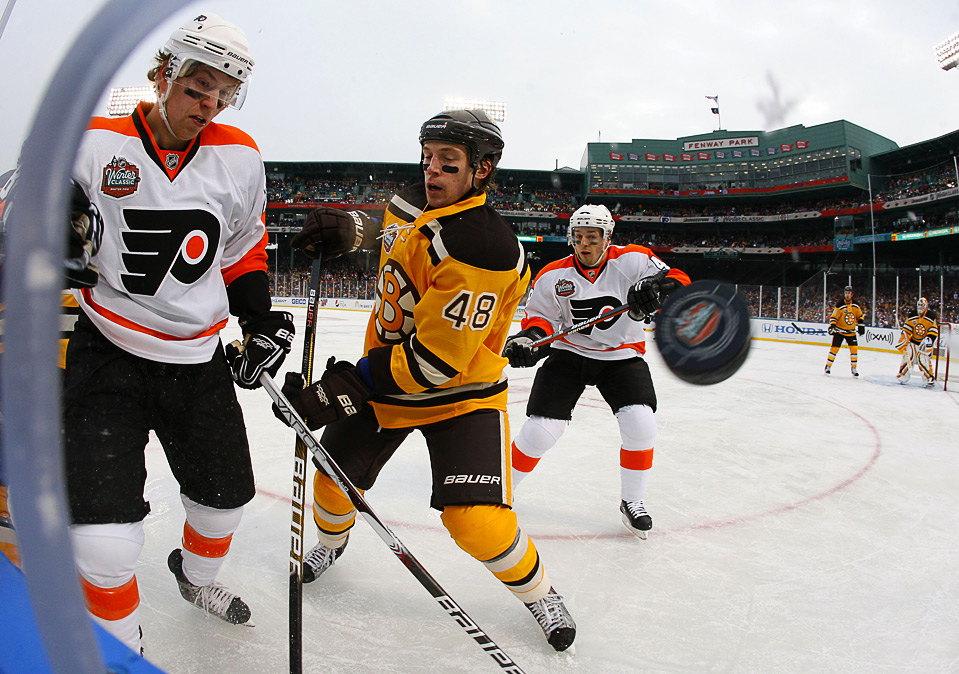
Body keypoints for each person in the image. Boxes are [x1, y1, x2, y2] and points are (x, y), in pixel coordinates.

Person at [279, 109, 577, 652]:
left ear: (482, 170)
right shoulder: (415, 202)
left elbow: (433, 366)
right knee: (331, 484)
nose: (431, 171)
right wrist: (351, 229)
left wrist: (341, 388)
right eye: (428, 158)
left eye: (448, 162)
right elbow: (388, 230)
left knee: (476, 523)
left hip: (460, 396)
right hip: (386, 385)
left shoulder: (482, 248)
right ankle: (330, 543)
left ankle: (540, 592)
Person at [62, 13, 303, 653]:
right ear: (162, 73)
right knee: (102, 542)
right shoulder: (91, 142)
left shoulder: (239, 154)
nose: (211, 105)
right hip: (107, 349)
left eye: (224, 93)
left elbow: (244, 250)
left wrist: (260, 319)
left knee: (223, 506)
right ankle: (125, 655)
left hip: (197, 358)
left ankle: (195, 580)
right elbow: (25, 212)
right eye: (199, 88)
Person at [501, 204, 690, 539]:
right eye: (578, 236)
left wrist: (661, 290)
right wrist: (528, 340)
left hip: (621, 357)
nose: (584, 243)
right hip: (569, 354)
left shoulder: (633, 259)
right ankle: (501, 493)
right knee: (541, 431)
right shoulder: (553, 275)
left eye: (592, 236)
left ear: (608, 237)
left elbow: (677, 277)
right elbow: (540, 322)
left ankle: (632, 501)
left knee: (641, 425)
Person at [896, 296, 939, 386]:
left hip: (924, 342)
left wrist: (930, 338)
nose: (920, 307)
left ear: (926, 305)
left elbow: (933, 328)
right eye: (919, 305)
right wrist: (904, 340)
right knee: (908, 358)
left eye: (922, 305)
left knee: (923, 360)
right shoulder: (912, 314)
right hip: (913, 342)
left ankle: (928, 378)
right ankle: (903, 375)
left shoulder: (931, 315)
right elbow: (907, 329)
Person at [824, 285, 866, 376]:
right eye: (846, 293)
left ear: (852, 294)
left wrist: (861, 326)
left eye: (849, 293)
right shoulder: (839, 304)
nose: (847, 295)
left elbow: (860, 316)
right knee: (834, 349)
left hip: (851, 332)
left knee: (854, 349)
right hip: (839, 331)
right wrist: (833, 326)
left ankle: (854, 369)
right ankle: (828, 366)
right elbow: (834, 317)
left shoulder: (856, 305)